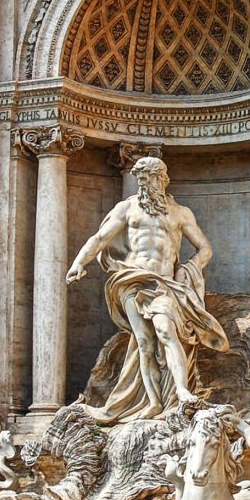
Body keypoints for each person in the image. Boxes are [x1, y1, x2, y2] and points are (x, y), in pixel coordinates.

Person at [67, 156, 230, 422]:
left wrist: (189, 268)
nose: (145, 184)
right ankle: (153, 402)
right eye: (141, 179)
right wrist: (78, 263)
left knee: (166, 331)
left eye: (150, 178)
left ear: (162, 179)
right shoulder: (127, 208)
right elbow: (99, 238)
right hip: (132, 279)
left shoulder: (180, 212)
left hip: (164, 283)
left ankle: (181, 391)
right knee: (143, 342)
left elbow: (205, 248)